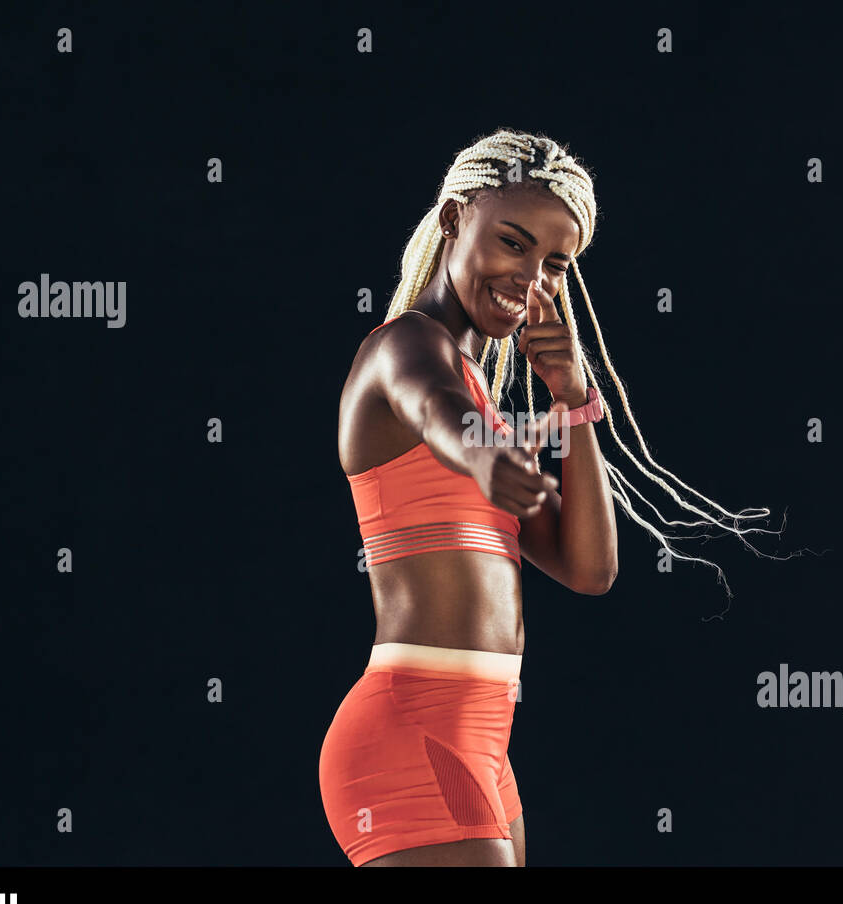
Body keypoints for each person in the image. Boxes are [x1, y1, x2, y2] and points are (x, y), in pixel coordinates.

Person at [319, 129, 769, 866]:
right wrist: (487, 456)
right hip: (409, 735)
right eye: (514, 243)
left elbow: (591, 569)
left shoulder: (482, 392)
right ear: (455, 218)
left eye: (554, 264)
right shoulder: (403, 347)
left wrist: (574, 398)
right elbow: (437, 410)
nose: (531, 279)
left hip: (485, 745)